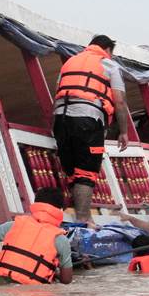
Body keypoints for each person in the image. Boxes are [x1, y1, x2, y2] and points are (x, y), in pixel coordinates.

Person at [52, 35, 129, 229]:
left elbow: (58, 92)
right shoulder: (109, 65)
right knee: (86, 172)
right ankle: (84, 221)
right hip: (88, 120)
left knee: (72, 171)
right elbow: (119, 101)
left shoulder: (69, 62)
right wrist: (124, 132)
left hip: (61, 119)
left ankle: (81, 217)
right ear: (109, 49)